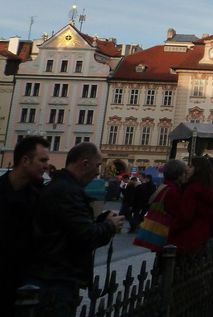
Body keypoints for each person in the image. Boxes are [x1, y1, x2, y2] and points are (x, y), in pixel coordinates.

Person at [27, 142, 124, 317]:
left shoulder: (61, 186)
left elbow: (72, 228)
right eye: (97, 166)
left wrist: (99, 222)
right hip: (56, 280)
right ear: (84, 163)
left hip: (53, 276)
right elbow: (84, 236)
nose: (97, 172)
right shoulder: (68, 191)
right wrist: (109, 226)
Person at [0, 136, 50, 312]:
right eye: (42, 160)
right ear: (25, 160)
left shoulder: (39, 197)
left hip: (22, 284)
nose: (46, 166)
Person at [169, 156, 213, 257]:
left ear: (198, 169)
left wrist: (172, 228)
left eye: (190, 166)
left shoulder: (193, 189)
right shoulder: (209, 188)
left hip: (187, 237)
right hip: (202, 235)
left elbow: (185, 215)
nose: (187, 169)